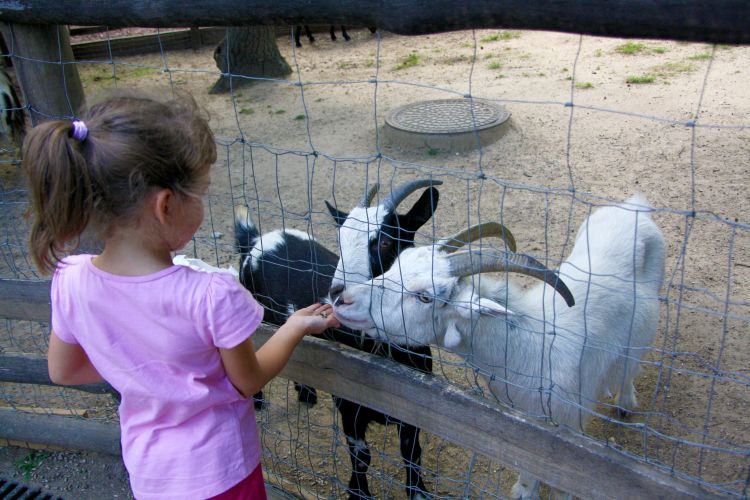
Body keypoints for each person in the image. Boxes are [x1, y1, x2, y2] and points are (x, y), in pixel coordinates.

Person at [23, 90, 340, 499]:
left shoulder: (69, 278)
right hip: (221, 473)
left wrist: (139, 367)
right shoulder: (210, 295)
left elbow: (63, 371)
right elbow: (248, 382)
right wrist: (294, 327)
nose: (204, 205)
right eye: (202, 193)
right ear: (166, 205)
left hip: (149, 473)